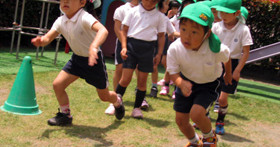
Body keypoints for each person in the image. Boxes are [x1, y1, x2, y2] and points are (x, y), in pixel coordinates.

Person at [31, 0, 125, 126]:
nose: (65, 1)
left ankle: (117, 101)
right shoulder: (60, 21)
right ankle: (65, 115)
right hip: (77, 60)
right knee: (57, 84)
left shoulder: (84, 17)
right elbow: (48, 38)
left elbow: (103, 31)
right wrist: (41, 41)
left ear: (82, 3)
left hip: (94, 61)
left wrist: (94, 46)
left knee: (104, 96)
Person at [167, 3, 231, 146]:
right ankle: (195, 142)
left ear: (206, 34)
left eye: (194, 32)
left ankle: (209, 138)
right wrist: (180, 83)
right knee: (181, 121)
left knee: (196, 114)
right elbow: (173, 72)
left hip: (209, 84)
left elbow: (227, 58)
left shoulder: (216, 49)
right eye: (183, 29)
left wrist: (228, 74)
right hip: (185, 81)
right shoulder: (175, 48)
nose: (187, 36)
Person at [117, 0, 166, 119]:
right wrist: (124, 47)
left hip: (148, 49)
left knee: (142, 81)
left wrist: (159, 54)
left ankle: (137, 108)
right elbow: (124, 30)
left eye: (154, 1)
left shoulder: (160, 17)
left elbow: (161, 36)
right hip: (131, 47)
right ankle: (115, 103)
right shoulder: (132, 12)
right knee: (125, 78)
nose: (150, 3)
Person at [211, 0, 253, 135]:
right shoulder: (216, 27)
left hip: (233, 63)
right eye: (221, 11)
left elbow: (246, 52)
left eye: (226, 12)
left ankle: (220, 121)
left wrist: (237, 71)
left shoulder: (243, 30)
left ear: (237, 13)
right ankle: (203, 117)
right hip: (215, 62)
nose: (222, 15)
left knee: (222, 98)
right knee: (209, 93)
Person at [104, 0, 140, 115]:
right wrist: (125, 44)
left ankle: (140, 99)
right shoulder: (121, 9)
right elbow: (117, 28)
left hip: (139, 43)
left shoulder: (144, 11)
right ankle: (115, 100)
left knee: (139, 70)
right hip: (122, 42)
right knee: (119, 68)